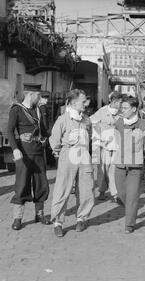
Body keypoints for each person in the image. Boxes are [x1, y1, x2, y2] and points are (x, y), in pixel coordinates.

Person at [49, 89, 95, 238]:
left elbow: (91, 137)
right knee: (63, 188)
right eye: (83, 101)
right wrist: (59, 152)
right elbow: (54, 139)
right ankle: (58, 222)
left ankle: (81, 218)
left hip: (84, 156)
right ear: (74, 103)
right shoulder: (63, 119)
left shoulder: (87, 120)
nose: (86, 104)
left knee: (86, 188)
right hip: (68, 154)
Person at [7, 85, 51, 231]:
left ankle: (40, 214)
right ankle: (17, 218)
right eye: (38, 96)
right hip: (24, 153)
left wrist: (46, 138)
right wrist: (15, 149)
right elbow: (9, 131)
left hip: (38, 152)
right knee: (22, 185)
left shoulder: (39, 110)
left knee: (41, 184)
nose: (40, 99)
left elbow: (44, 131)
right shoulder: (17, 109)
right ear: (31, 94)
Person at [114, 96, 145, 234]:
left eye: (125, 108)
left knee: (132, 195)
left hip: (135, 167)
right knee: (121, 194)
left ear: (134, 109)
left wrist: (142, 153)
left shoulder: (143, 124)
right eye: (122, 108)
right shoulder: (119, 123)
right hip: (119, 164)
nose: (122, 110)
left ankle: (129, 224)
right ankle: (131, 208)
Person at [90, 91, 122, 202]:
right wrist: (98, 139)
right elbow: (91, 122)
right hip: (105, 146)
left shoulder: (122, 113)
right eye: (120, 102)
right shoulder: (102, 111)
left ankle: (115, 193)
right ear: (114, 101)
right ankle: (102, 191)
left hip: (117, 145)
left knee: (114, 169)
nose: (121, 105)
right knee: (103, 169)